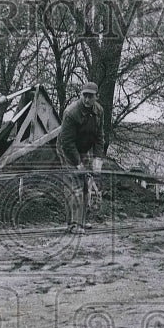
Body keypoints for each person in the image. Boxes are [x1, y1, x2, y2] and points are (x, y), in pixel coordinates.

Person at [57, 81, 105, 232]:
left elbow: (99, 137)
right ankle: (73, 224)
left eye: (91, 96)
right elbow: (67, 142)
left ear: (96, 97)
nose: (87, 99)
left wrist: (98, 159)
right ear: (81, 95)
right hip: (67, 149)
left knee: (85, 185)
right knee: (74, 184)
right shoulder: (71, 113)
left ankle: (81, 221)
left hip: (84, 148)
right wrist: (78, 163)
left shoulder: (99, 111)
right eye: (85, 95)